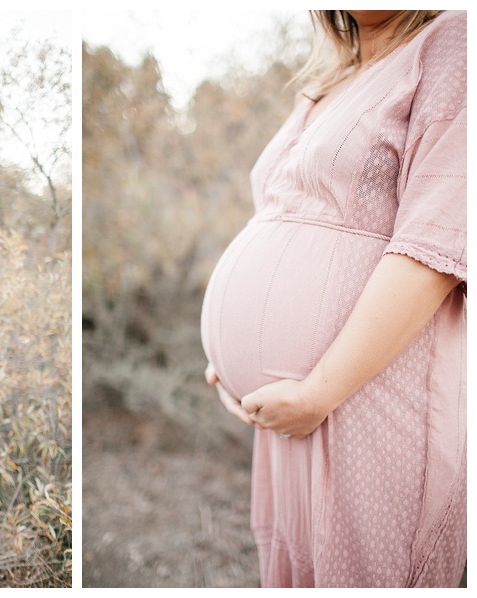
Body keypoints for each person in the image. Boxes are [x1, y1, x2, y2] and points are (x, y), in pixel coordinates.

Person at [200, 10, 465, 588]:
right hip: (294, 411)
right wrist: (232, 361)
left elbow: (435, 243)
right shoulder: (333, 77)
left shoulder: (456, 40)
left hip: (367, 394)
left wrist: (319, 391)